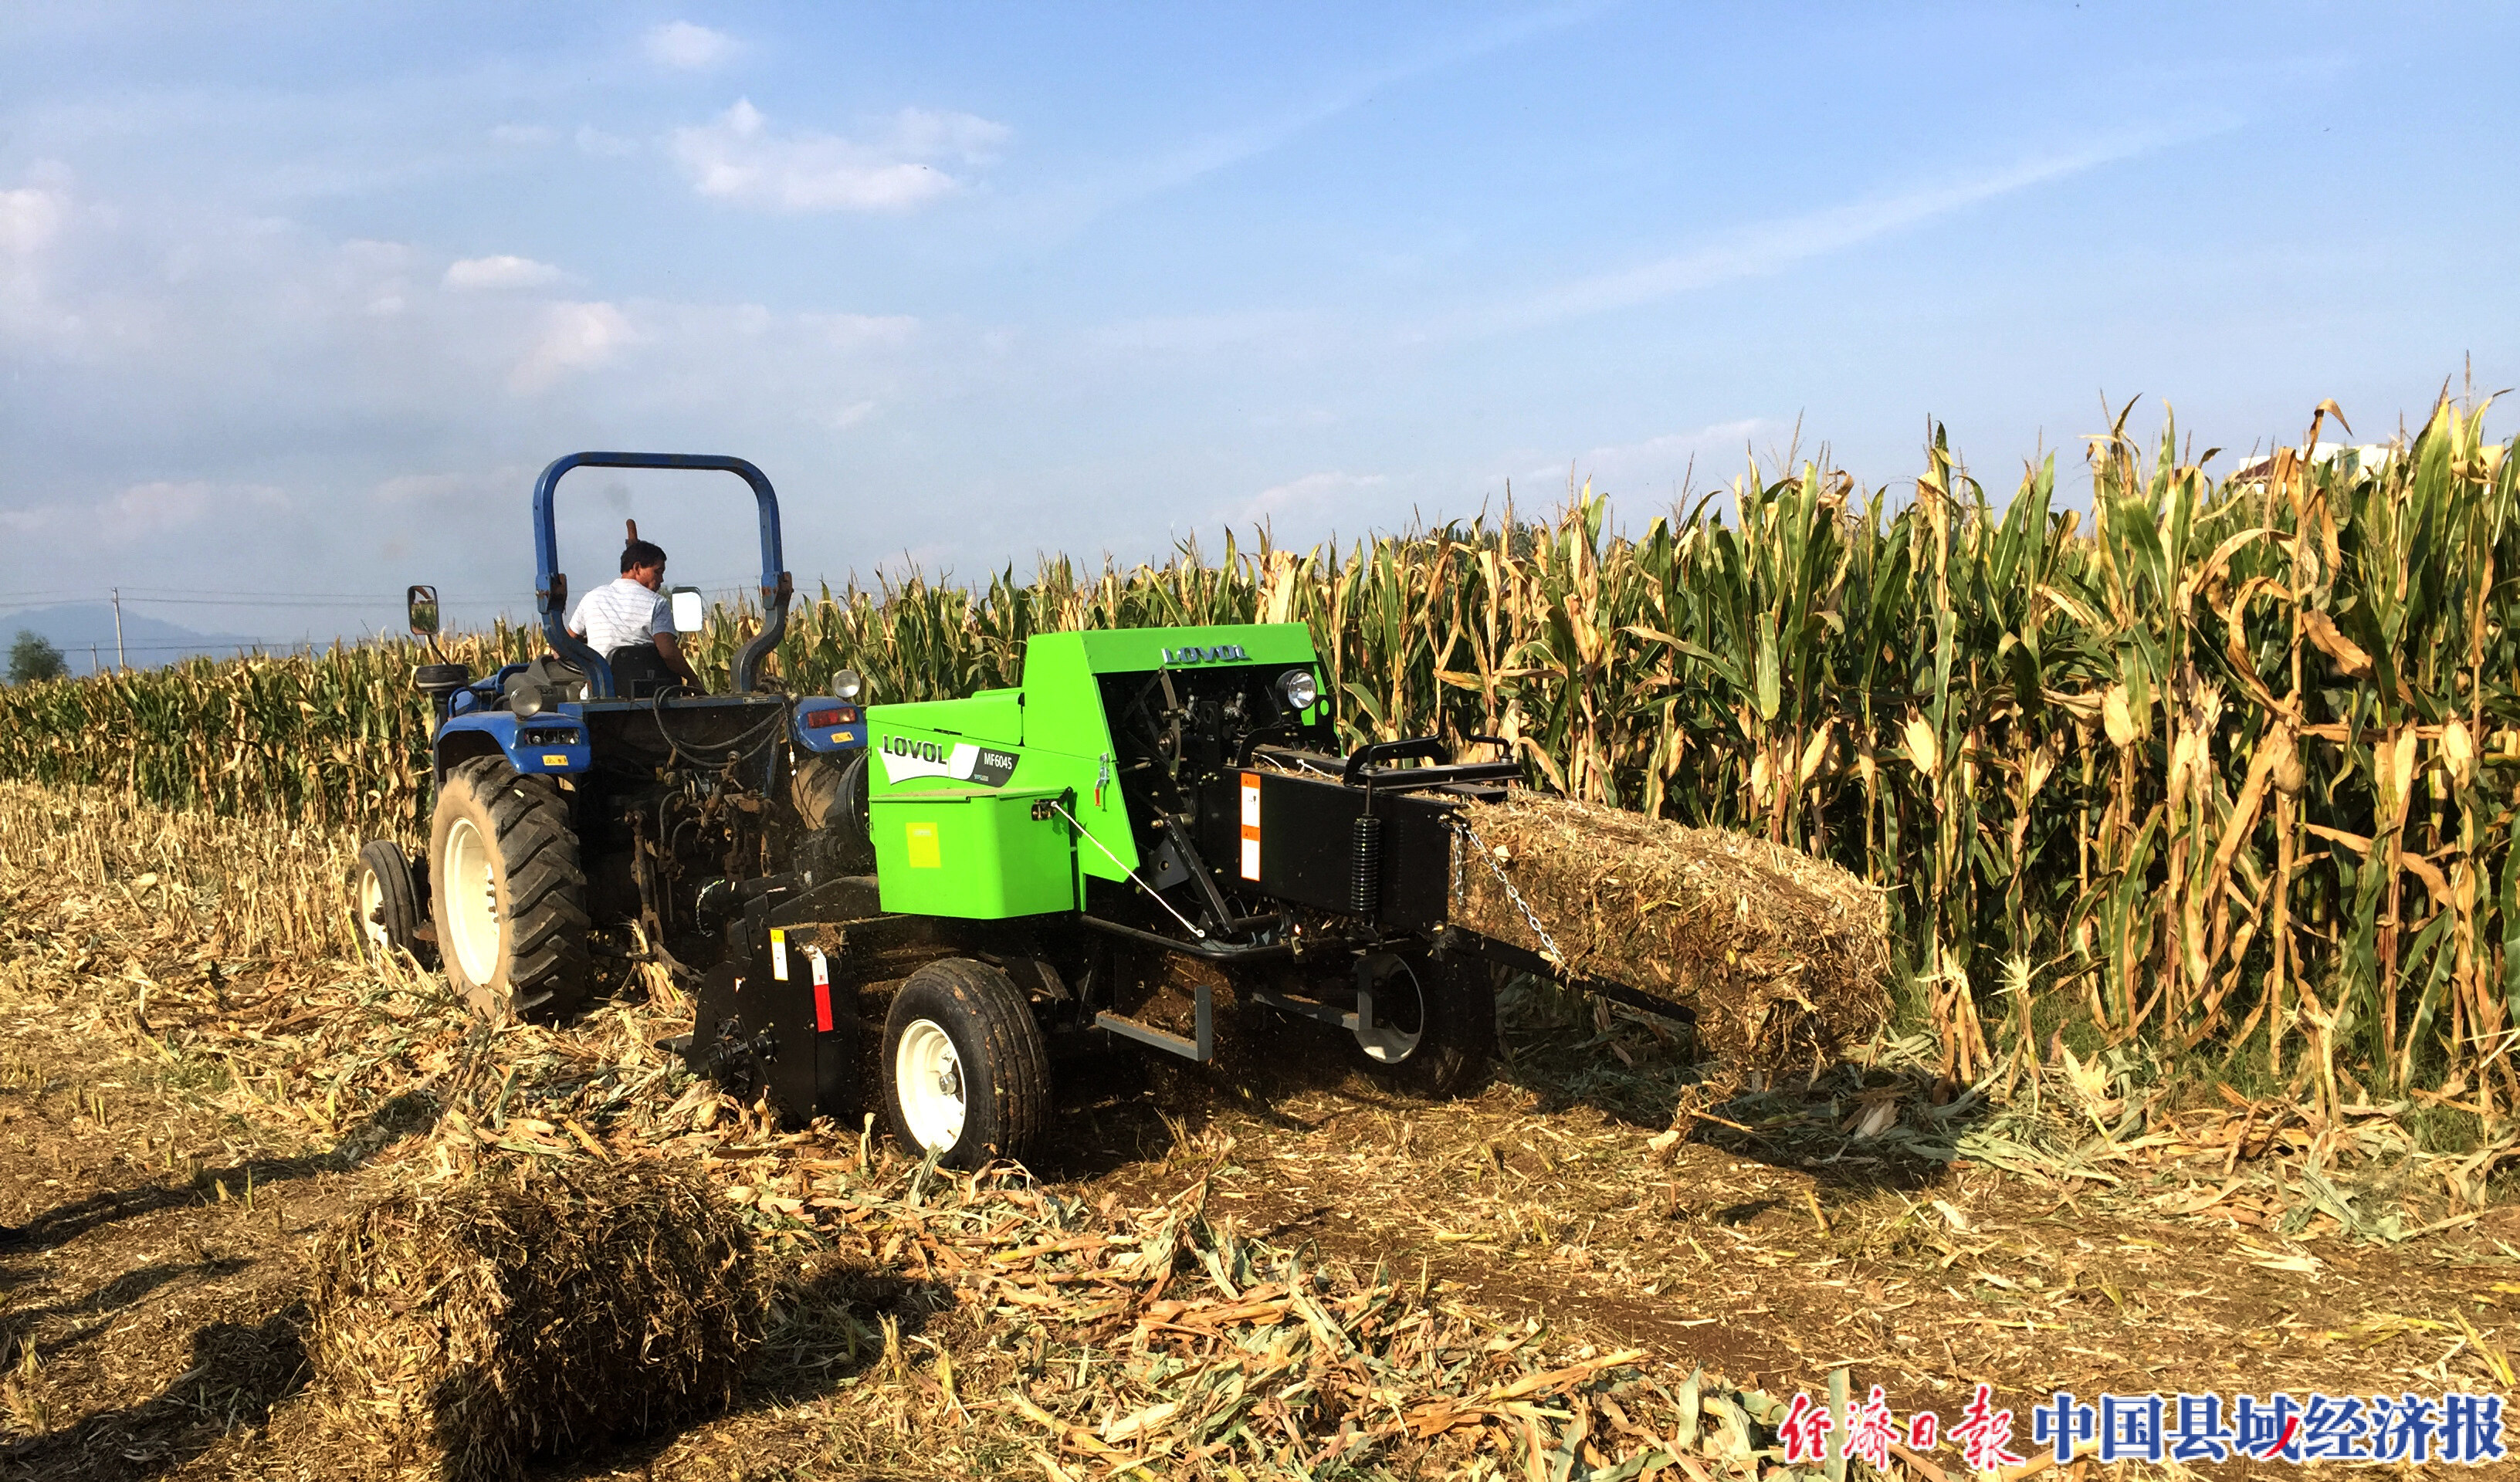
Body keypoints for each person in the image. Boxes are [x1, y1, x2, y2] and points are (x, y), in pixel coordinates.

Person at [566, 538, 699, 695]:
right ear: (637, 568)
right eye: (658, 572)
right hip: (647, 695)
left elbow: (565, 643)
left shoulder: (592, 597)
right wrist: (694, 680)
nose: (661, 579)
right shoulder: (657, 602)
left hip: (596, 695)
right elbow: (668, 653)